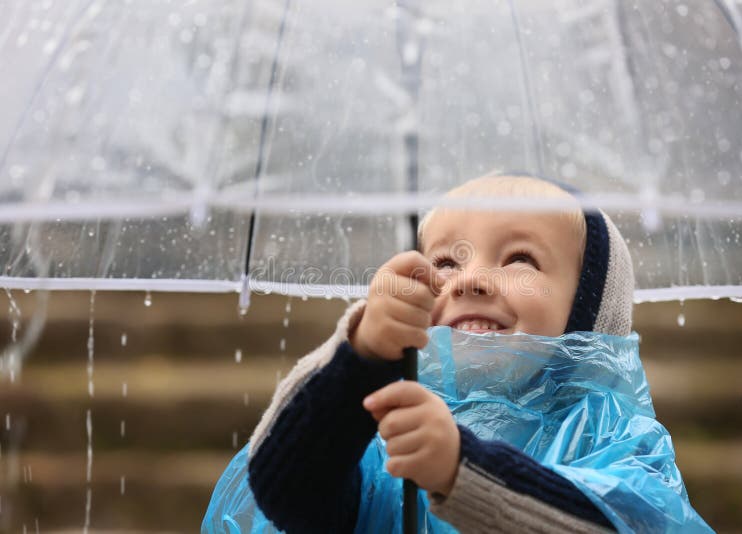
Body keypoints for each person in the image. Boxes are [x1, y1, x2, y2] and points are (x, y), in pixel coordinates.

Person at [204, 174, 712, 533]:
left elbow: (626, 524)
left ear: (590, 310)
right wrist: (362, 355)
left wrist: (461, 472)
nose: (468, 279)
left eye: (520, 258)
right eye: (444, 260)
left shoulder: (614, 439)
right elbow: (286, 489)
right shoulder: (386, 432)